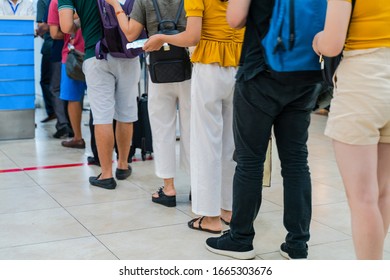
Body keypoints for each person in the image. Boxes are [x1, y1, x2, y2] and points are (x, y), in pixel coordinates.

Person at [205, 0, 319, 260]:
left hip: (261, 72)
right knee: (296, 162)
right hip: (305, 74)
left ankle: (241, 239)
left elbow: (235, 18)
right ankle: (298, 244)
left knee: (250, 162)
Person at [144, 0, 244, 229]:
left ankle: (210, 218)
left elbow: (192, 37)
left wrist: (163, 38)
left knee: (206, 145)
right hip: (237, 67)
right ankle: (227, 209)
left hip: (209, 68)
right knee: (229, 146)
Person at [312, 0, 390, 260]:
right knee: (382, 191)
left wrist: (318, 39)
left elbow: (332, 43)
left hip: (363, 80)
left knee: (362, 198)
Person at [105, 0, 191, 207]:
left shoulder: (144, 1)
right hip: (190, 68)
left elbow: (130, 34)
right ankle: (197, 188)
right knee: (193, 129)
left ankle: (168, 188)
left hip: (159, 70)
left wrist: (116, 7)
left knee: (162, 129)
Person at [59, 0, 139, 190]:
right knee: (126, 112)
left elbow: (66, 26)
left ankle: (106, 174)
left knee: (102, 116)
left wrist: (82, 22)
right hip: (127, 53)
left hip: (96, 56)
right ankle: (122, 165)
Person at [48, 0, 87, 149]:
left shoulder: (56, 3)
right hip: (95, 51)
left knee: (73, 98)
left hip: (72, 56)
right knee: (101, 99)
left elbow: (54, 33)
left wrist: (70, 28)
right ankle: (100, 138)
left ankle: (78, 137)